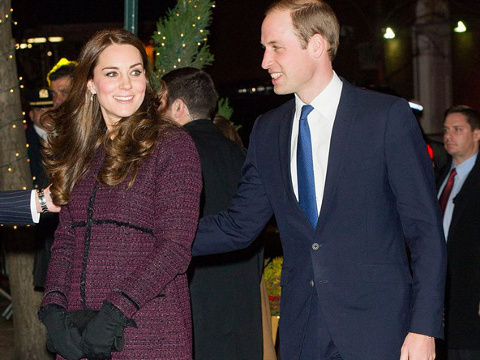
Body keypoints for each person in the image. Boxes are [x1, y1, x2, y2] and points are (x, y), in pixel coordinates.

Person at [192, 1, 447, 359]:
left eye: (276, 47)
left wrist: (423, 327)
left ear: (316, 45)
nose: (265, 62)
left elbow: (425, 230)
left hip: (380, 329)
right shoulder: (268, 131)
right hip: (302, 331)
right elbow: (239, 224)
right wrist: (155, 237)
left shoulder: (385, 117)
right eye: (264, 49)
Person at [37, 29, 202, 360]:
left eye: (136, 72)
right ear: (91, 84)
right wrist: (53, 308)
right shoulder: (80, 152)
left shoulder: (171, 145)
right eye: (112, 73)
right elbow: (67, 241)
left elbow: (174, 248)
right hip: (80, 332)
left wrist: (115, 312)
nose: (127, 85)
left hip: (146, 331)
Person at [163, 67, 264, 360]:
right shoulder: (242, 156)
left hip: (194, 317)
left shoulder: (171, 158)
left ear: (178, 107)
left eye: (160, 104)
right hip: (243, 316)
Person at [436, 105, 480, 360]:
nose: (448, 136)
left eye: (457, 129)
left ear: (476, 134)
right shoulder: (440, 176)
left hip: (470, 296)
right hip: (443, 299)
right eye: (445, 130)